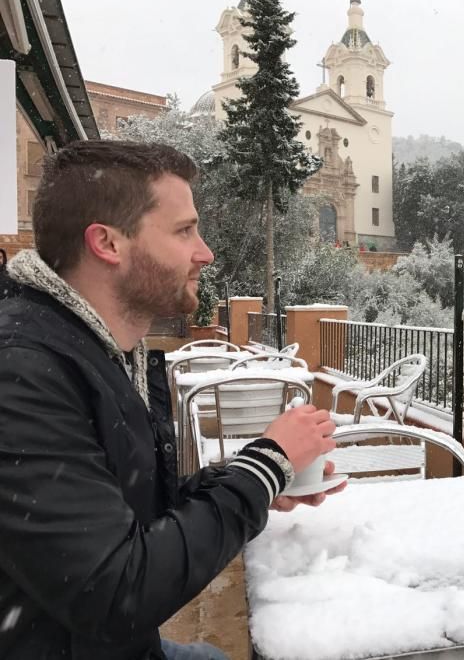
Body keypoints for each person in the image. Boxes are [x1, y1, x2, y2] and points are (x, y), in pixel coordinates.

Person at [0, 140, 345, 659]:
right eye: (184, 230)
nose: (204, 251)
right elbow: (116, 591)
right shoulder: (23, 371)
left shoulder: (90, 347)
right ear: (108, 244)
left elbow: (125, 511)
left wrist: (253, 486)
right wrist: (266, 465)